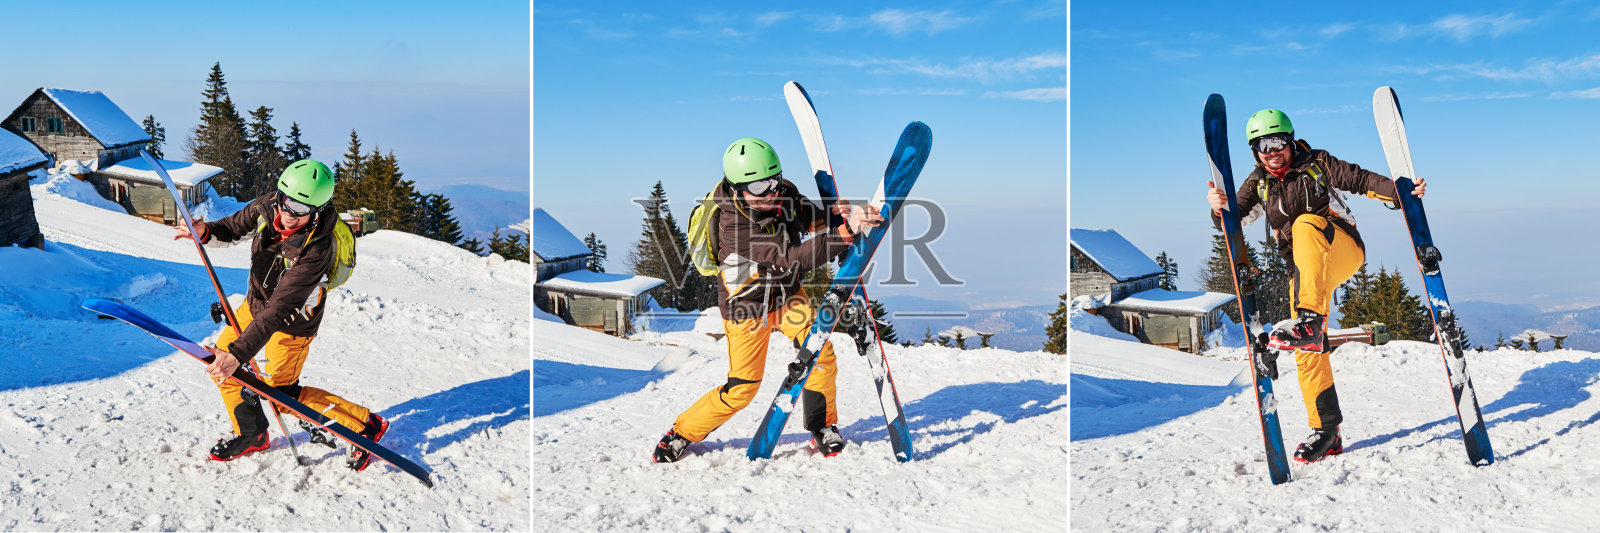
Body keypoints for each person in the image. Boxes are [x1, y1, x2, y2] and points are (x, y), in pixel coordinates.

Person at [1205, 109, 1425, 463]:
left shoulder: (1317, 163)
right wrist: (1219, 209)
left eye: (1277, 141)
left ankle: (1308, 320)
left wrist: (1401, 193)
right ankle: (1326, 431)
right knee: (1308, 349)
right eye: (1263, 144)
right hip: (1305, 274)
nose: (1272, 150)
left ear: (1290, 141)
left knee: (1305, 223)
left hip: (1341, 247)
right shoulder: (1258, 183)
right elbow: (1234, 220)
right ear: (1255, 150)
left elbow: (1360, 179)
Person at [653, 138, 882, 463]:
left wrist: (837, 218)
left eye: (775, 179)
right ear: (738, 188)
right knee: (742, 389)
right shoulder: (734, 226)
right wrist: (843, 236)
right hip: (747, 307)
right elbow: (791, 257)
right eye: (760, 185)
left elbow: (806, 217)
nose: (771, 191)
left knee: (822, 358)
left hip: (786, 295)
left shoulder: (781, 192)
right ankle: (681, 432)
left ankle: (823, 426)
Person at [175, 160, 388, 470]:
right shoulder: (269, 206)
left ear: (316, 210)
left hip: (293, 323)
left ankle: (365, 426)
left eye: (301, 208)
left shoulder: (317, 249)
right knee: (221, 365)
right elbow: (233, 227)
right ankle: (252, 434)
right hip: (254, 306)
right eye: (287, 201)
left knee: (280, 394)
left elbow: (281, 308)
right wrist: (205, 231)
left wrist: (240, 352)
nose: (289, 213)